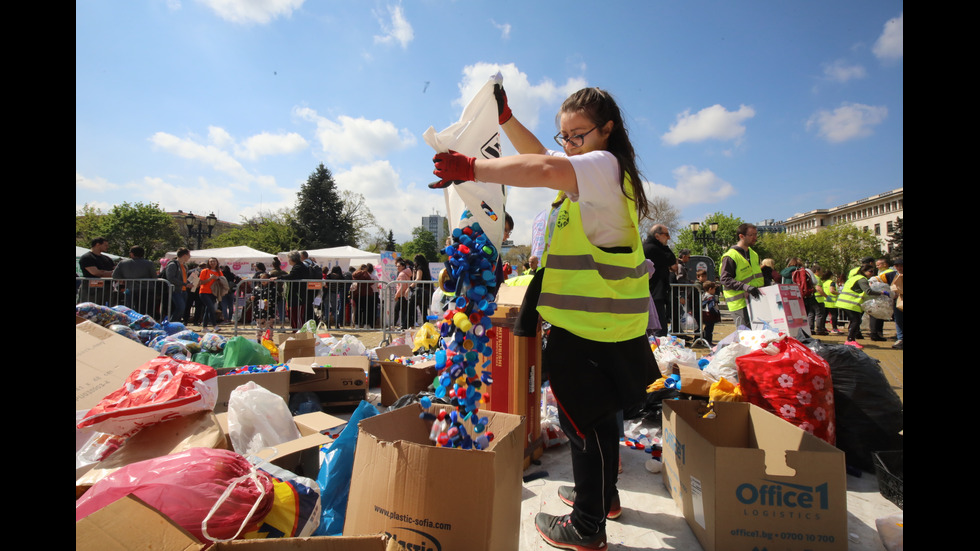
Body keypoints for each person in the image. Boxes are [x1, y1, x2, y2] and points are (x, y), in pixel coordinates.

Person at [431, 84, 658, 550]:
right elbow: (543, 156)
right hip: (606, 325)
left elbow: (543, 167)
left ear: (607, 130)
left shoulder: (604, 166)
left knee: (583, 423)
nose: (569, 144)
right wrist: (508, 119)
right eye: (564, 136)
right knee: (598, 419)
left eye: (579, 134)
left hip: (591, 327)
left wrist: (471, 167)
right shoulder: (595, 171)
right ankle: (603, 496)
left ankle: (588, 525)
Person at [718, 223, 763, 330]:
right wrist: (746, 287)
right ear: (741, 236)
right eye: (752, 235)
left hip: (755, 299)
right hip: (739, 303)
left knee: (757, 335)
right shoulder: (730, 256)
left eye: (756, 234)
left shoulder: (754, 254)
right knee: (746, 336)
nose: (755, 237)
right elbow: (725, 279)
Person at [837, 262, 888, 348]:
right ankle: (850, 340)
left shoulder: (854, 278)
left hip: (845, 302)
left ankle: (851, 339)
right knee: (856, 321)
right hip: (850, 303)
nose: (872, 273)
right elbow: (868, 291)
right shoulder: (862, 279)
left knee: (855, 321)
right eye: (870, 271)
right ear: (864, 271)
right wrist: (882, 293)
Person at [643, 224, 676, 337]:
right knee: (659, 328)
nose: (668, 238)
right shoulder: (652, 248)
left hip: (654, 291)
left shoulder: (650, 247)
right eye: (666, 235)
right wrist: (665, 246)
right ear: (657, 236)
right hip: (654, 293)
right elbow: (671, 259)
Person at [112, 245, 159, 315]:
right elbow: (154, 277)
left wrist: (124, 279)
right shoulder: (149, 263)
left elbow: (115, 276)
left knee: (130, 309)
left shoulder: (123, 263)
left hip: (130, 289)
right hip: (147, 289)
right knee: (145, 310)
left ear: (131, 253)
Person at [78, 237, 115, 304]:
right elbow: (95, 272)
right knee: (90, 308)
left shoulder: (107, 258)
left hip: (107, 287)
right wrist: (113, 273)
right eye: (105, 245)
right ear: (98, 244)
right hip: (91, 288)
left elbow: (115, 269)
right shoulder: (87, 257)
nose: (107, 247)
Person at [868, 257, 897, 342]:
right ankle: (876, 333)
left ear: (885, 264)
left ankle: (876, 333)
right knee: (877, 315)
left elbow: (874, 280)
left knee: (878, 315)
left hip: (885, 297)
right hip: (883, 297)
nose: (877, 267)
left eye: (879, 265)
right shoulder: (883, 272)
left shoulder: (888, 272)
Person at [163, 248, 191, 323]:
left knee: (182, 309)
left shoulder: (184, 266)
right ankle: (171, 324)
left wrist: (189, 282)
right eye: (189, 255)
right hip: (176, 290)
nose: (189, 257)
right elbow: (171, 278)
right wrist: (184, 284)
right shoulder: (172, 264)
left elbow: (184, 278)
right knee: (180, 308)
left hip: (183, 290)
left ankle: (175, 324)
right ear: (184, 255)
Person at [250, 272, 278, 340]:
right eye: (261, 278)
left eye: (265, 278)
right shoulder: (256, 288)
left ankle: (269, 339)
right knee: (259, 326)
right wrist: (252, 298)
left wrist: (269, 302)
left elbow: (276, 298)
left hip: (269, 310)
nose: (263, 280)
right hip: (259, 310)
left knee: (269, 326)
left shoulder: (273, 288)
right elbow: (253, 297)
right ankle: (258, 339)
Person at [197, 257, 222, 332]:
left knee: (208, 310)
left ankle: (204, 327)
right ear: (208, 263)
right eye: (211, 261)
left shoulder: (219, 272)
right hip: (204, 292)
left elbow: (222, 281)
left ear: (217, 262)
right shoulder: (204, 271)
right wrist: (210, 279)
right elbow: (201, 282)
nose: (212, 263)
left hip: (214, 293)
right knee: (211, 308)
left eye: (214, 261)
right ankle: (215, 325)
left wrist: (217, 278)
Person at [813, 267, 838, 336]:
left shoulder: (824, 282)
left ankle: (822, 327)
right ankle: (833, 328)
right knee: (833, 315)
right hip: (831, 302)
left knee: (822, 316)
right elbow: (831, 290)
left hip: (824, 301)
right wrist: (839, 293)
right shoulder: (830, 282)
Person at [411, 254, 433, 325]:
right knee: (424, 310)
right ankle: (426, 324)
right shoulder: (425, 268)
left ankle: (411, 323)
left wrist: (410, 287)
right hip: (426, 291)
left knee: (411, 306)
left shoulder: (420, 268)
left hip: (420, 292)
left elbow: (418, 279)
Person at [393, 258, 414, 330]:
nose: (397, 268)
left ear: (403, 266)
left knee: (399, 310)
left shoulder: (402, 274)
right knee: (404, 310)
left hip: (402, 295)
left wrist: (397, 295)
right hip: (404, 295)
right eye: (397, 266)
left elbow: (402, 286)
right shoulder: (407, 273)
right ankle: (407, 325)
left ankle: (399, 325)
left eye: (399, 266)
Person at [700, 281, 720, 345]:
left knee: (706, 328)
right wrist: (716, 312)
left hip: (704, 313)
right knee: (709, 329)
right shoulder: (711, 298)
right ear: (710, 289)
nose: (715, 290)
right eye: (714, 289)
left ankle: (704, 340)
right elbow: (711, 307)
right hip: (710, 315)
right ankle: (708, 341)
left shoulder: (703, 295)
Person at [890, 258, 903, 349]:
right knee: (898, 320)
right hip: (898, 301)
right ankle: (900, 339)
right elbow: (877, 279)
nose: (899, 268)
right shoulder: (892, 274)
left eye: (901, 266)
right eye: (897, 266)